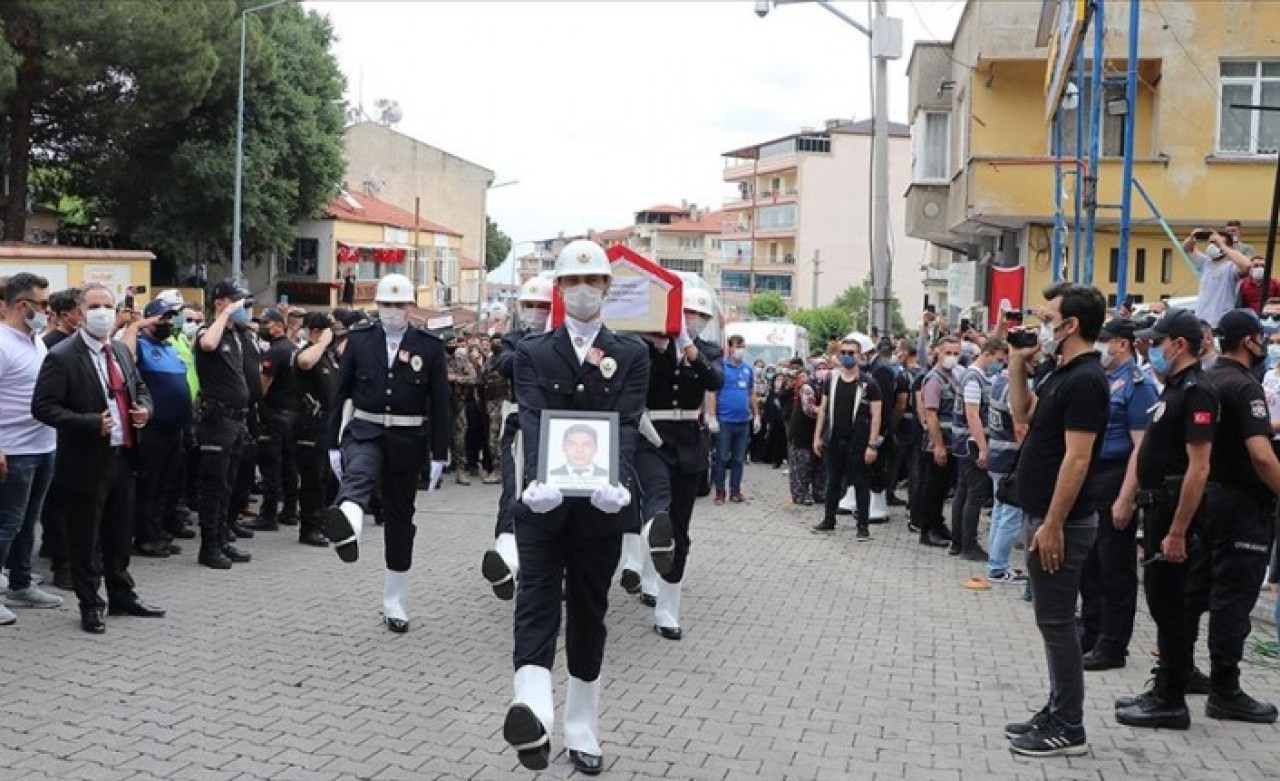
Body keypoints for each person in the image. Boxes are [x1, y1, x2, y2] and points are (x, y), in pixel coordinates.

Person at [502, 240, 647, 775]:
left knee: (589, 612)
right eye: (571, 282)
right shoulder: (533, 353)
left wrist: (619, 485)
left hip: (600, 512)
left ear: (607, 288)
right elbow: (535, 419)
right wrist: (539, 480)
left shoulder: (631, 354)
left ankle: (582, 728)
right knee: (535, 603)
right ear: (559, 290)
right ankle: (534, 714)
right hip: (544, 506)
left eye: (592, 281)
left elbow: (627, 424)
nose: (582, 290)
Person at [1004, 282, 1109, 757]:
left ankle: (1069, 725)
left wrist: (1053, 522)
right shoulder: (1059, 371)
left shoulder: (1087, 378)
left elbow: (1078, 459)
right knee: (1051, 621)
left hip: (1061, 522)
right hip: (1042, 513)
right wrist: (1016, 363)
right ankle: (1056, 708)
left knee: (1058, 622)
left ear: (1072, 326)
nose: (1042, 325)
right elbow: (1022, 413)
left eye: (1050, 319)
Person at [32, 283, 164, 633]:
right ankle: (91, 603)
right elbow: (43, 407)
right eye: (95, 306)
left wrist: (144, 411)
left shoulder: (120, 351)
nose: (103, 312)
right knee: (85, 537)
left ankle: (122, 595)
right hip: (86, 460)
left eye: (108, 304)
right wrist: (89, 423)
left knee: (120, 534)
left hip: (123, 456)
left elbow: (142, 389)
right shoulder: (62, 356)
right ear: (79, 311)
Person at [323, 272, 450, 634]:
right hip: (366, 428)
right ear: (376, 306)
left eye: (398, 304)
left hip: (408, 438)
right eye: (386, 305)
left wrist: (439, 453)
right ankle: (348, 521)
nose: (392, 311)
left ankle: (394, 600)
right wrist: (332, 442)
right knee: (359, 472)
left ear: (410, 306)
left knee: (400, 520)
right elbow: (340, 394)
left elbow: (440, 402)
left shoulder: (429, 345)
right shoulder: (360, 341)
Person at [1107, 308, 1216, 729]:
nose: (1151, 348)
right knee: (1161, 600)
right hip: (1157, 507)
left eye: (1158, 342)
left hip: (1175, 511)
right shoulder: (1171, 388)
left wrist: (1177, 530)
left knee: (1173, 606)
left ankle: (1171, 698)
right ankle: (1165, 685)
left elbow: (1199, 468)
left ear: (1179, 345)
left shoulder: (1197, 392)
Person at [1191, 309, 1280, 722]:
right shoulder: (1246, 387)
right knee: (1233, 598)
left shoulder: (1207, 379)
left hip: (1208, 499)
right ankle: (1225, 690)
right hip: (1241, 506)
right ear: (1248, 341)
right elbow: (1261, 454)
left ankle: (1178, 672)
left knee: (1199, 591)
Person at [631, 286, 724, 641]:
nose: (694, 321)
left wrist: (688, 347)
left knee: (680, 530)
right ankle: (647, 563)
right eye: (687, 315)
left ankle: (668, 608)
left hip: (688, 442)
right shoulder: (647, 347)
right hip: (651, 437)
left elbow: (714, 379)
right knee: (657, 506)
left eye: (701, 317)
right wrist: (657, 345)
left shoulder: (708, 351)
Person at [1077, 318, 1157, 671]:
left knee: (1115, 567)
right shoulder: (1106, 379)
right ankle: (1092, 631)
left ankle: (1113, 645)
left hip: (1117, 474)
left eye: (1104, 341)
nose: (1099, 347)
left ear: (1122, 344)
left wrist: (1126, 496)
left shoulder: (1138, 385)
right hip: (1094, 474)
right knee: (1090, 563)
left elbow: (1142, 447)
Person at [481, 276, 553, 601]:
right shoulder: (514, 339)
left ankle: (550, 568)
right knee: (514, 491)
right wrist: (542, 349)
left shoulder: (562, 342)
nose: (536, 312)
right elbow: (506, 363)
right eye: (531, 305)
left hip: (556, 428)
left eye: (543, 306)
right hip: (519, 425)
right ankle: (507, 559)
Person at [0, 274, 63, 625]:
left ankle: (20, 583)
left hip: (42, 446)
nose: (47, 310)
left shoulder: (34, 340)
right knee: (6, 524)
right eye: (43, 304)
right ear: (24, 306)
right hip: (14, 450)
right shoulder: (2, 342)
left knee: (26, 522)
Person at [193, 280, 256, 569]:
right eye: (236, 302)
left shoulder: (235, 336)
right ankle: (208, 548)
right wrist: (224, 314)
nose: (241, 308)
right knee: (213, 487)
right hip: (217, 422)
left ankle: (221, 539)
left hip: (236, 421)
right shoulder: (209, 332)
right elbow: (207, 343)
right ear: (220, 303)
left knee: (228, 486)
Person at [131, 298, 194, 559]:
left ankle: (159, 531)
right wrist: (136, 327)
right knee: (150, 485)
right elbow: (126, 358)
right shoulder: (141, 346)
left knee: (168, 485)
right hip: (153, 430)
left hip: (175, 430)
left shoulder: (171, 347)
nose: (168, 323)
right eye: (163, 318)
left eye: (171, 318)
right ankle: (144, 536)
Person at [812, 335, 882, 538]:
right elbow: (823, 410)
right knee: (833, 481)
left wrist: (872, 445)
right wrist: (818, 437)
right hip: (835, 440)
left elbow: (877, 415)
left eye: (851, 353)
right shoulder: (831, 381)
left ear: (859, 356)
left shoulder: (869, 384)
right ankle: (829, 519)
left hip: (859, 443)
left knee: (861, 483)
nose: (846, 356)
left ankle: (863, 525)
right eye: (843, 353)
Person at [251, 310, 301, 531]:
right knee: (289, 465)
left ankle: (268, 515)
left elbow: (262, 386)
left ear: (280, 326)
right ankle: (290, 510)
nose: (263, 327)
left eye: (267, 323)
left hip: (274, 415)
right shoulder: (292, 349)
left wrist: (254, 404)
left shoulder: (275, 352)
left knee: (271, 465)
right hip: (292, 415)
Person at [291, 312, 338, 548]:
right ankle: (309, 528)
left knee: (324, 478)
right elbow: (304, 362)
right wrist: (321, 343)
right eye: (327, 330)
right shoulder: (308, 352)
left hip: (327, 427)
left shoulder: (327, 356)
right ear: (315, 332)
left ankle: (320, 523)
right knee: (312, 478)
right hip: (310, 425)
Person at [917, 337, 962, 548]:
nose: (952, 357)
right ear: (937, 353)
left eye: (956, 353)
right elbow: (931, 415)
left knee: (942, 488)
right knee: (933, 489)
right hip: (938, 443)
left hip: (951, 442)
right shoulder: (934, 379)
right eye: (948, 353)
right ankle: (928, 529)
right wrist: (939, 446)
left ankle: (938, 523)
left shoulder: (953, 376)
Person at [711, 334, 759, 504]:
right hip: (724, 421)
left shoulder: (747, 369)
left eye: (742, 346)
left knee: (739, 459)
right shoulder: (721, 368)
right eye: (738, 346)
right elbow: (713, 393)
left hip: (743, 421)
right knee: (722, 458)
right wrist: (712, 417)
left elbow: (751, 393)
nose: (740, 350)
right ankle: (720, 492)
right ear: (729, 347)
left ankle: (735, 491)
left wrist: (756, 415)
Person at [1183, 228, 1252, 327]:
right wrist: (1192, 237)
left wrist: (1222, 245)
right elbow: (1186, 249)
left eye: (1216, 243)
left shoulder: (1231, 267)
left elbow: (1246, 265)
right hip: (1201, 319)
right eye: (1211, 243)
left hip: (1221, 320)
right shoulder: (1205, 263)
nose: (1212, 246)